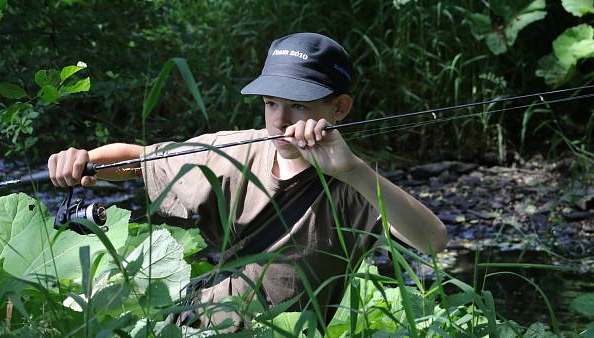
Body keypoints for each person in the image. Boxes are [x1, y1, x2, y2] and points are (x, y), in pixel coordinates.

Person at [47, 32, 448, 331]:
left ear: (338, 107)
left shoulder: (352, 184)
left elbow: (433, 241)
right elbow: (137, 158)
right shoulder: (229, 151)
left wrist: (352, 171)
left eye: (298, 106)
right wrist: (82, 161)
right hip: (196, 325)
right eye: (271, 103)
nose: (281, 121)